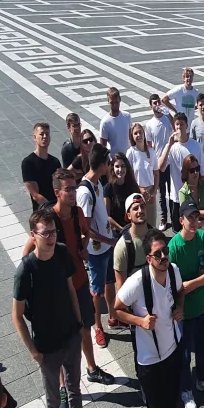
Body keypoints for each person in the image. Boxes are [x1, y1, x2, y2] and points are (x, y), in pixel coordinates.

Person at [12, 209, 101, 408]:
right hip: (46, 346)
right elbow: (16, 316)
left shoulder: (62, 253)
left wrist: (77, 323)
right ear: (33, 236)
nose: (51, 238)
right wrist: (33, 352)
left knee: (74, 389)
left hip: (70, 337)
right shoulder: (26, 270)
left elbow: (70, 289)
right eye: (45, 233)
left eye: (53, 232)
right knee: (52, 402)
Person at [22, 169, 117, 389]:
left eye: (75, 188)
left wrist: (84, 249)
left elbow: (87, 232)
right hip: (59, 291)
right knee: (61, 339)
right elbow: (27, 252)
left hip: (80, 282)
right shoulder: (48, 220)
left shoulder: (77, 213)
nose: (74, 193)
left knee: (85, 328)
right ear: (57, 192)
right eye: (69, 189)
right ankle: (63, 386)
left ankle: (92, 369)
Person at [114, 230, 187, 408]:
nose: (164, 256)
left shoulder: (174, 271)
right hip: (149, 360)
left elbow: (180, 292)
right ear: (149, 258)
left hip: (173, 350)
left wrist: (180, 308)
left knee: (171, 400)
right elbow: (116, 310)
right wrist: (140, 322)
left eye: (166, 251)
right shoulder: (137, 282)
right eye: (158, 254)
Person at [169, 200, 204, 408]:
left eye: (196, 217)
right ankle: (186, 390)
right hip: (184, 311)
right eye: (189, 217)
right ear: (181, 220)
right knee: (184, 353)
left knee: (203, 347)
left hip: (201, 306)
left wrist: (189, 284)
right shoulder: (173, 248)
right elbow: (174, 286)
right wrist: (198, 281)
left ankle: (202, 378)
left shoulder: (202, 236)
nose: (194, 221)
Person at [77, 146, 117, 347]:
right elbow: (85, 228)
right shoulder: (84, 192)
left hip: (106, 245)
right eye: (108, 162)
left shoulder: (97, 183)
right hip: (96, 251)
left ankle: (112, 315)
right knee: (96, 290)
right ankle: (98, 327)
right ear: (101, 164)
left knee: (110, 282)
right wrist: (108, 240)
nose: (109, 166)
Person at [157, 112, 204, 227]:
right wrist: (168, 145)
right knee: (179, 232)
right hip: (176, 197)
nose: (179, 127)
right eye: (177, 124)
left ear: (187, 125)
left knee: (193, 230)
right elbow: (160, 167)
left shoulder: (195, 145)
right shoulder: (172, 148)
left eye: (182, 124)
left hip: (194, 197)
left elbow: (203, 173)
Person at [144, 94, 175, 228]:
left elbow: (176, 127)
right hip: (159, 162)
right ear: (151, 106)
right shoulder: (149, 124)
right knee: (162, 192)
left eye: (158, 102)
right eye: (154, 103)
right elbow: (150, 146)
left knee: (173, 190)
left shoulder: (167, 118)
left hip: (171, 160)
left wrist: (169, 114)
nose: (157, 105)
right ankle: (163, 217)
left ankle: (175, 216)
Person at [113, 192, 150, 293]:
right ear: (128, 215)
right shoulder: (122, 247)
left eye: (142, 206)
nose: (140, 210)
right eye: (135, 208)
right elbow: (122, 291)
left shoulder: (156, 237)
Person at [22, 122, 62, 214]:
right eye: (41, 134)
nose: (44, 136)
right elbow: (35, 195)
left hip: (58, 209)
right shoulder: (28, 163)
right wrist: (52, 210)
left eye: (47, 134)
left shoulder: (55, 162)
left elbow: (61, 186)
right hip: (42, 213)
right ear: (35, 138)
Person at [126, 122, 158, 230]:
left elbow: (156, 172)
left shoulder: (151, 152)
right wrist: (140, 189)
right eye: (135, 133)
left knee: (151, 222)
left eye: (140, 132)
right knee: (139, 221)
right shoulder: (131, 153)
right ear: (132, 136)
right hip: (137, 190)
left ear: (144, 134)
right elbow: (129, 174)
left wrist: (154, 192)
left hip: (150, 191)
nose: (138, 135)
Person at [99, 87, 131, 157]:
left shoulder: (127, 116)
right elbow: (102, 146)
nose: (114, 105)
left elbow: (130, 137)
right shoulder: (105, 122)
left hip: (129, 158)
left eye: (116, 102)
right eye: (112, 103)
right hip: (115, 160)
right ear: (108, 101)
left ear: (120, 99)